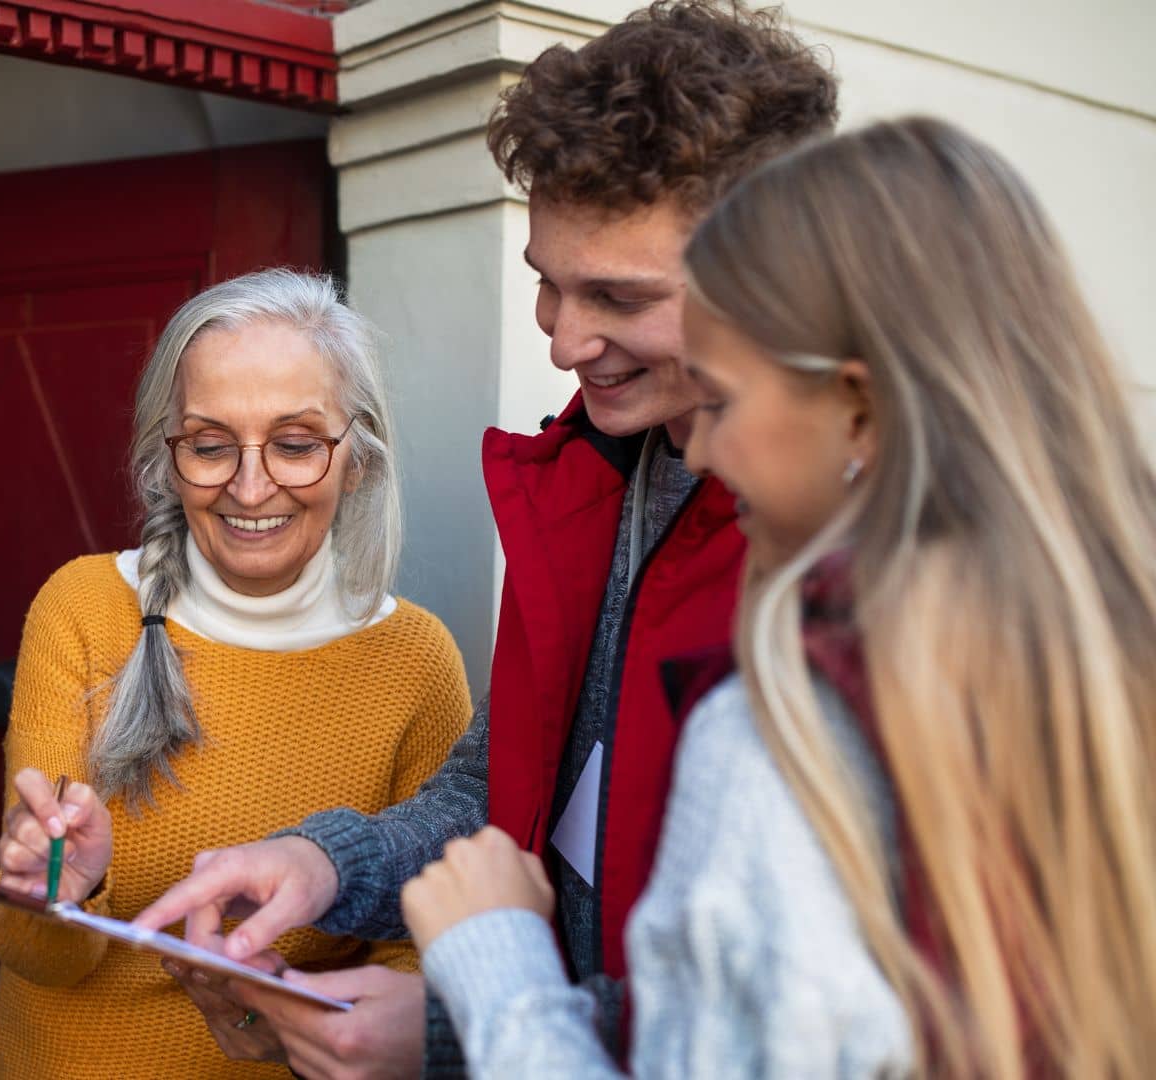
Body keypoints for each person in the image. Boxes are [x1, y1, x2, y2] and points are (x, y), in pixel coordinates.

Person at [134, 4, 836, 1074]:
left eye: (616, 296)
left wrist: (455, 1028)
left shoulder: (837, 559)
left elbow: (787, 1021)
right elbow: (508, 786)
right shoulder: (599, 473)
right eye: (547, 281)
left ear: (773, 276)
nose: (561, 338)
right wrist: (323, 865)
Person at [402, 116, 1156, 1077]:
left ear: (859, 407)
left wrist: (491, 966)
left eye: (721, 400)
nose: (703, 450)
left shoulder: (786, 718)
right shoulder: (1090, 642)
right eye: (548, 286)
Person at [0, 268, 474, 1079]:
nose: (250, 487)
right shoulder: (80, 609)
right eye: (211, 446)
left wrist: (267, 1011)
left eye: (294, 444)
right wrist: (60, 889)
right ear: (168, 461)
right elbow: (37, 953)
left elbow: (415, 954)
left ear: (358, 459)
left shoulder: (416, 662)